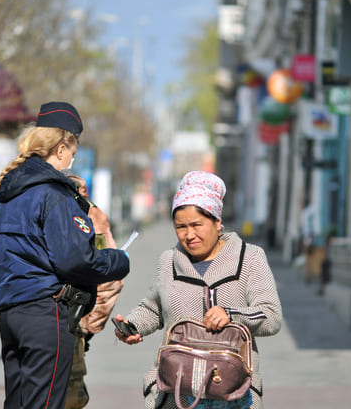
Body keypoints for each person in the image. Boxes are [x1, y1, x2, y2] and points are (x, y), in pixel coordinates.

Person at [0, 101, 130, 409]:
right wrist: (118, 261)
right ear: (62, 147)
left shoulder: (5, 193)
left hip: (12, 314)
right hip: (45, 316)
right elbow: (74, 260)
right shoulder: (54, 193)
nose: (71, 160)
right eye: (72, 152)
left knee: (19, 402)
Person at [113, 171, 282, 409]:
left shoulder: (249, 258)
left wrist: (231, 315)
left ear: (217, 221)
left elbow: (271, 316)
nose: (189, 235)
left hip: (234, 394)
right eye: (180, 227)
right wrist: (132, 326)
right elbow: (153, 308)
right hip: (176, 393)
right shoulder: (168, 261)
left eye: (197, 225)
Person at [63, 172, 124, 409]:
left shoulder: (27, 206)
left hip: (27, 327)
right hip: (70, 328)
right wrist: (86, 327)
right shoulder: (90, 215)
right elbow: (109, 280)